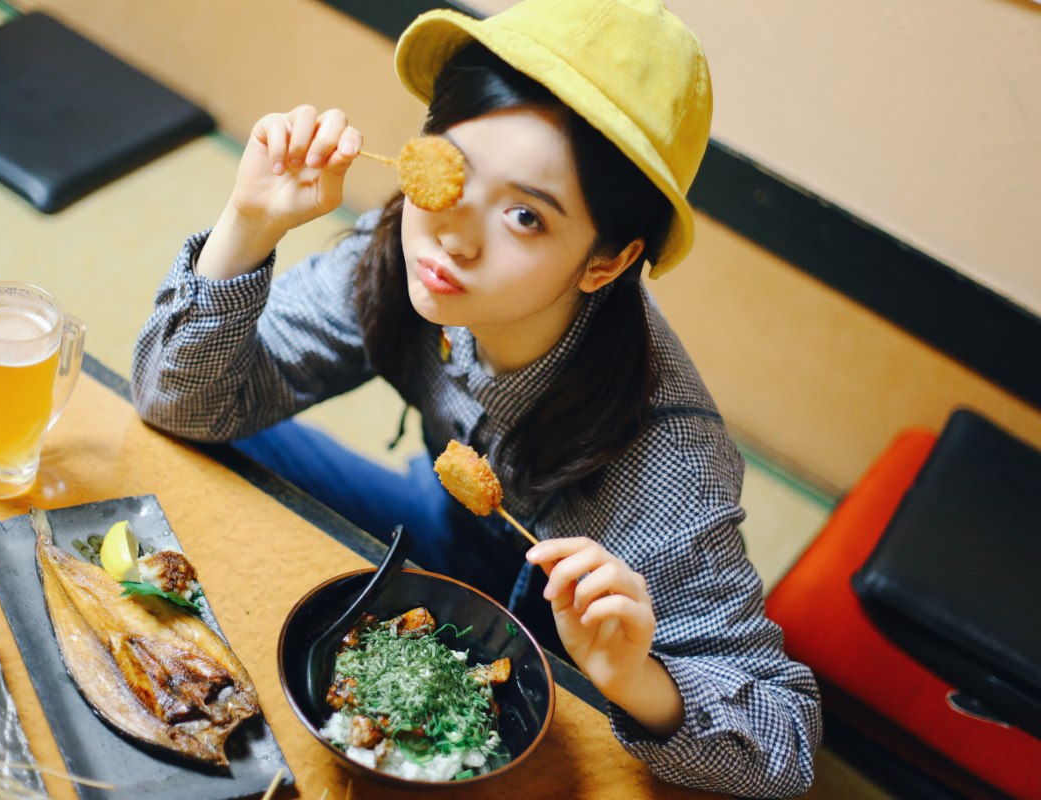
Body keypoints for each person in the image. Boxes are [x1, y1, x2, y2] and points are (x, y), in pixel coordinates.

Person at [131, 0, 821, 794]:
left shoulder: (669, 464)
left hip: (562, 643)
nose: (455, 235)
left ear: (606, 261)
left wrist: (639, 679)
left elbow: (788, 743)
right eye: (454, 170)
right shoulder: (402, 248)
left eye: (525, 216)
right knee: (207, 423)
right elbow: (176, 401)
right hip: (441, 530)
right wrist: (248, 225)